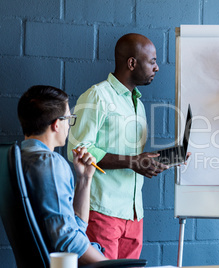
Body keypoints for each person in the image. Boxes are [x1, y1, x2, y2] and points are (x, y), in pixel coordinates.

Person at [67, 33, 170, 259]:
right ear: (132, 63)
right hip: (102, 212)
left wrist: (159, 160)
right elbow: (78, 149)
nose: (157, 67)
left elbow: (134, 157)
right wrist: (132, 162)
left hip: (134, 215)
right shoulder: (96, 96)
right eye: (152, 61)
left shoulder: (138, 104)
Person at [17, 85, 109, 265]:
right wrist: (108, 264)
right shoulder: (50, 163)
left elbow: (76, 227)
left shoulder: (19, 157)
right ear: (56, 124)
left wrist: (84, 179)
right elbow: (68, 241)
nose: (69, 126)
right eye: (69, 119)